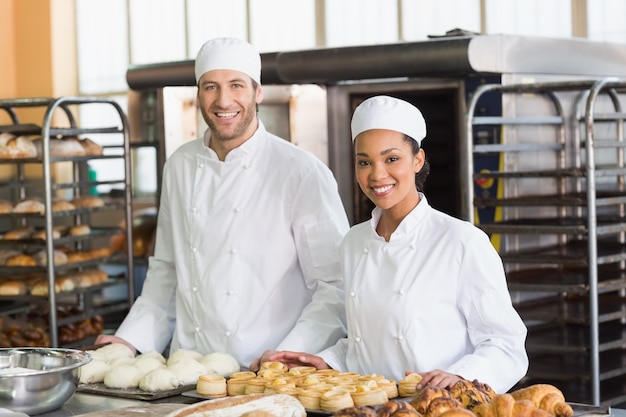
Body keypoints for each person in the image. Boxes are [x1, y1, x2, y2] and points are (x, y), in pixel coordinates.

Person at [96, 37, 350, 369]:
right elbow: (167, 272)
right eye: (211, 87)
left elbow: (335, 286)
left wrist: (291, 353)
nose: (223, 100)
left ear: (257, 92)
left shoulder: (300, 171)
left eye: (236, 85)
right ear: (198, 94)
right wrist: (129, 340)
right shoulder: (180, 165)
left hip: (266, 369)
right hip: (188, 371)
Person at [267, 95, 528, 393]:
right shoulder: (353, 242)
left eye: (391, 159)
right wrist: (327, 361)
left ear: (417, 160)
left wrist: (461, 377)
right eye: (364, 162)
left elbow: (505, 344)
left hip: (437, 409)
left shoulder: (461, 242)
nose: (377, 175)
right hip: (368, 409)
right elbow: (367, 343)